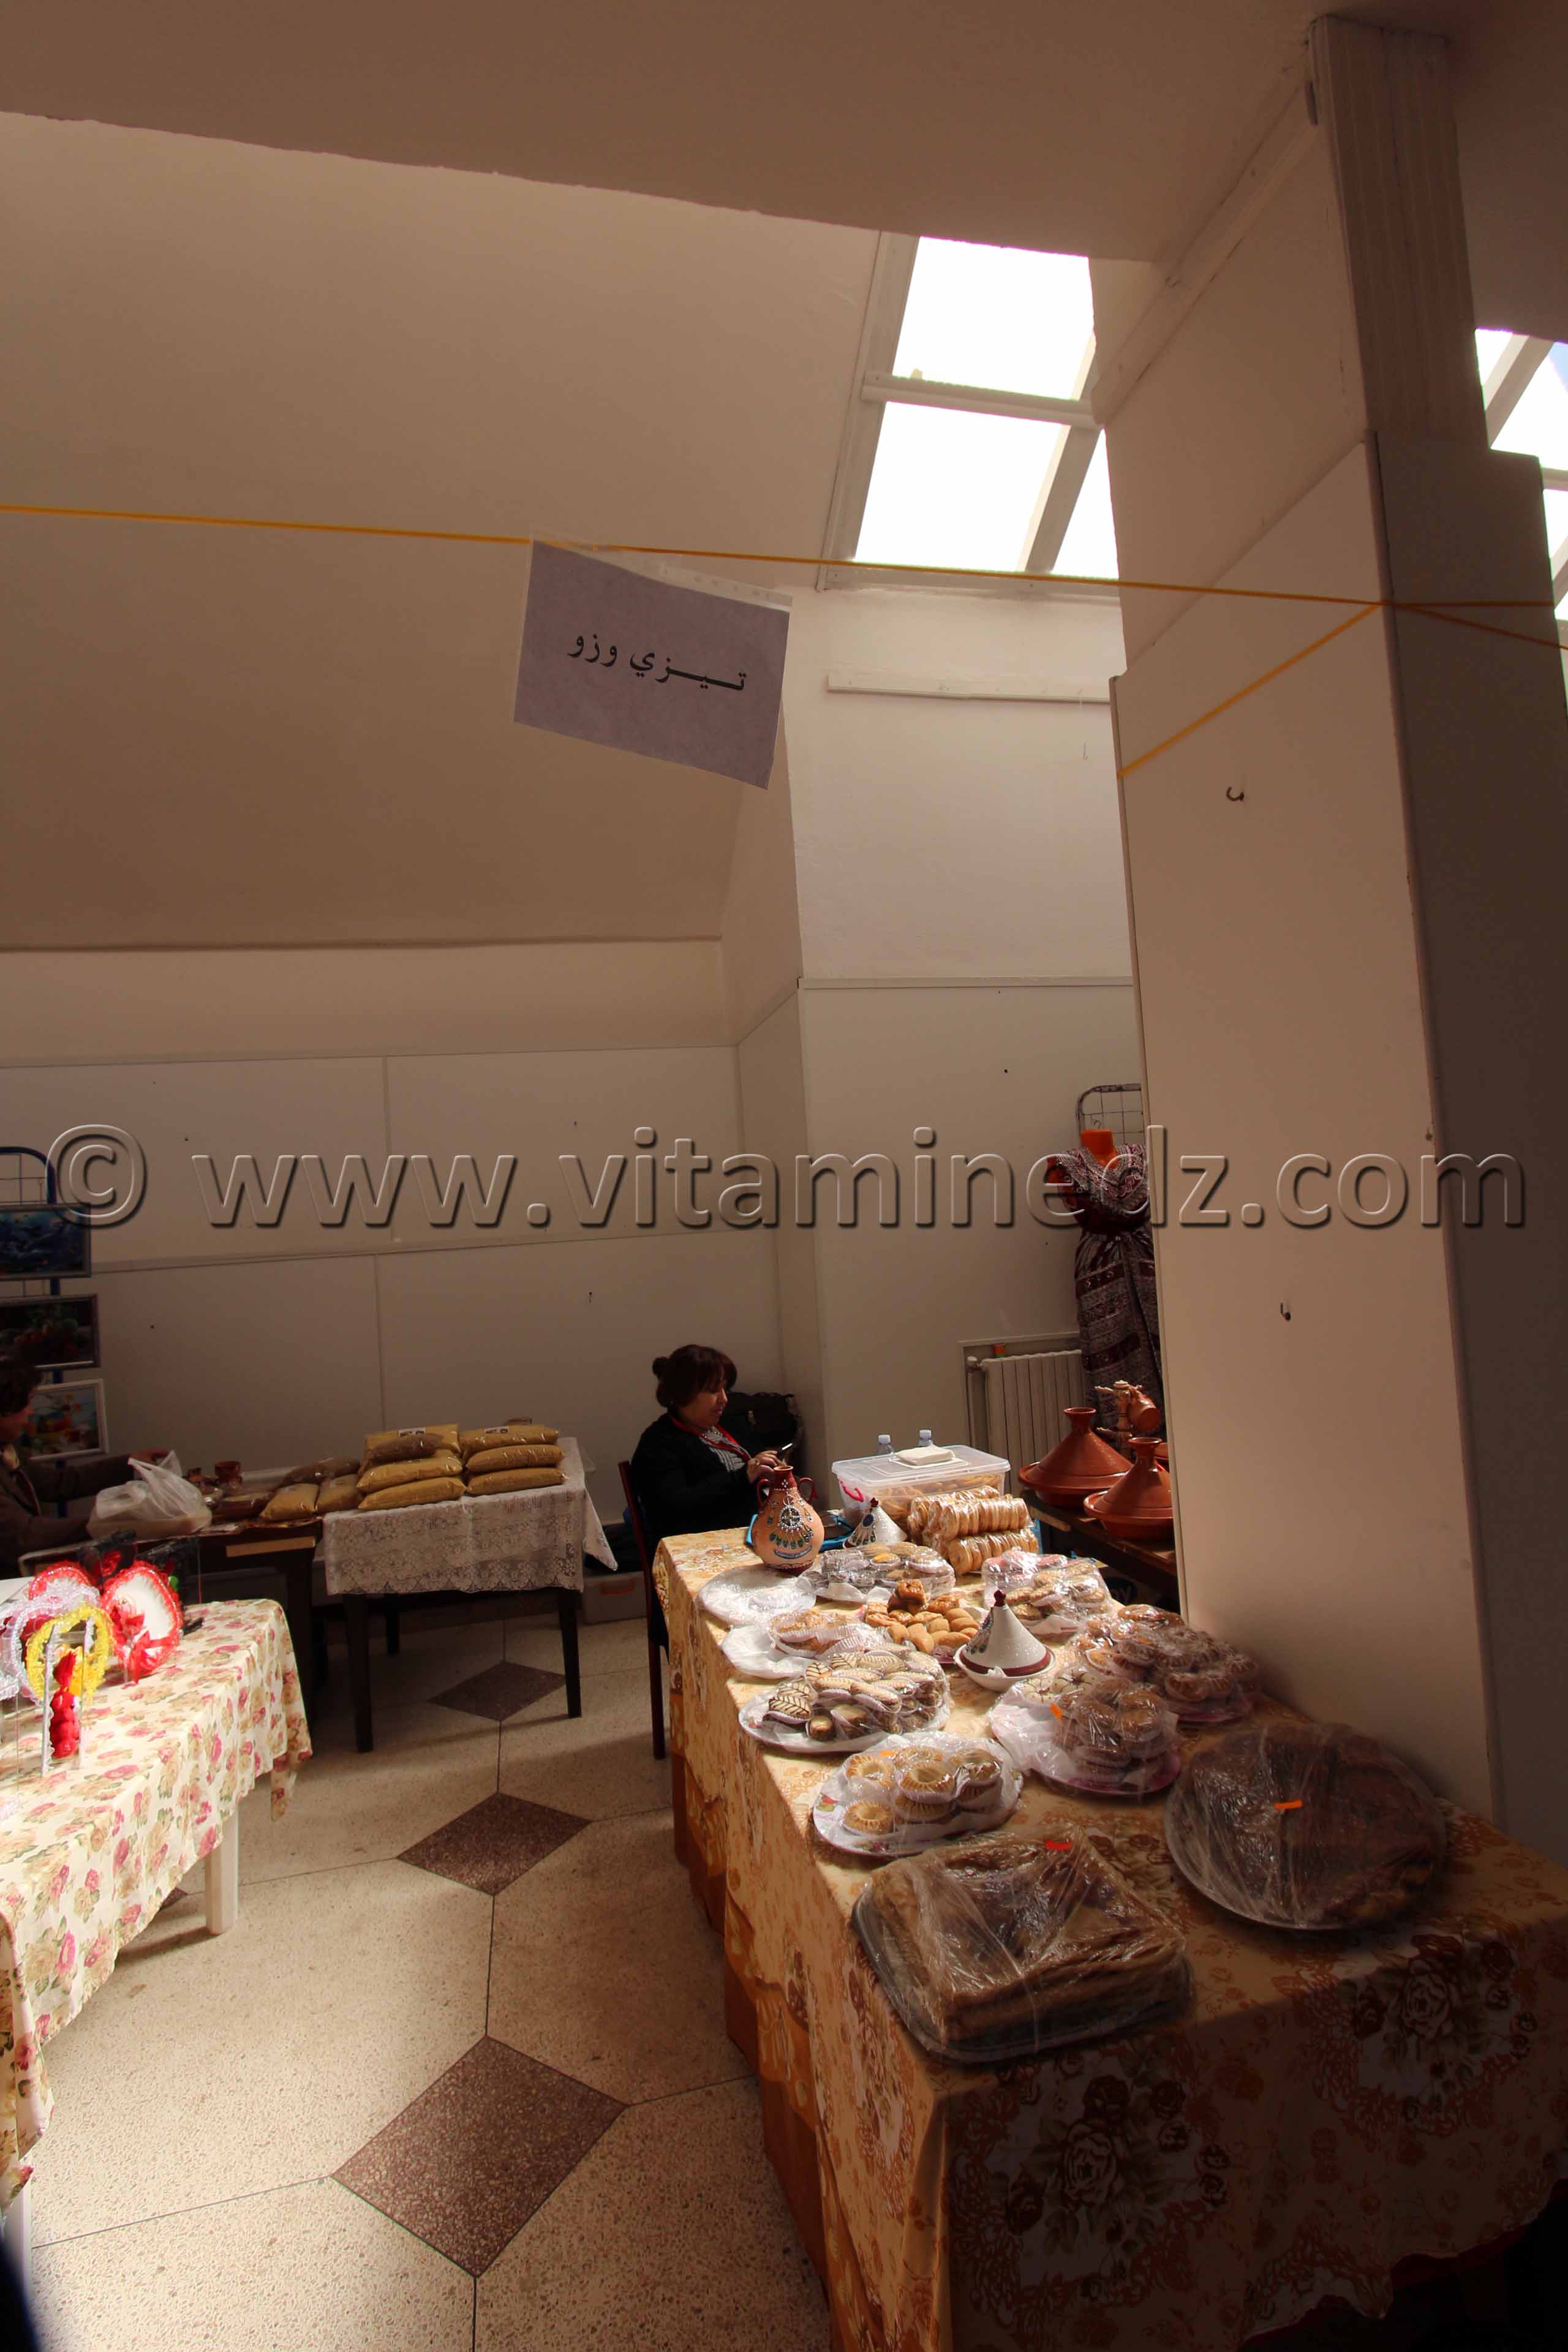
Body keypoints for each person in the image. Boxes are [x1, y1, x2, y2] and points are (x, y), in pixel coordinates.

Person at [0, 1348, 140, 1575]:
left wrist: (131, 1464)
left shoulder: (8, 1448)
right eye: (26, 1404)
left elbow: (57, 1482)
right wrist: (106, 1524)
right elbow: (25, 1534)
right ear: (5, 1410)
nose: (31, 1413)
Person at [630, 1344, 786, 1547]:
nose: (724, 1399)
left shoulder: (729, 1424)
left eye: (725, 1389)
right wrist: (744, 1476)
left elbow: (755, 1465)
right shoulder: (658, 1444)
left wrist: (772, 1472)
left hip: (752, 1532)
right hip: (702, 1545)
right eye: (713, 1391)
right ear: (683, 1394)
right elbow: (674, 1507)